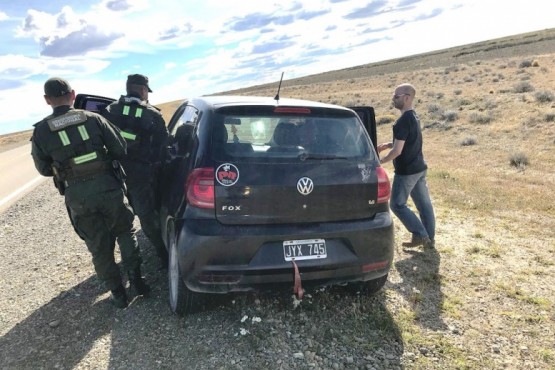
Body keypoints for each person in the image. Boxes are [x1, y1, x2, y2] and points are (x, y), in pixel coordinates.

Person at [31, 77, 150, 309]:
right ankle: (137, 281)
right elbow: (120, 148)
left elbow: (44, 169)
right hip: (108, 187)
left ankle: (118, 294)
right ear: (73, 94)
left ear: (47, 100)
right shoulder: (94, 119)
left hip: (78, 196)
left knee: (98, 244)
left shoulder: (41, 131)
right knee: (125, 231)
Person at [101, 74, 169, 269]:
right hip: (142, 175)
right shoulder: (152, 114)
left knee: (120, 220)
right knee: (147, 215)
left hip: (115, 175)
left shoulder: (109, 111)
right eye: (147, 91)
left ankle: (119, 264)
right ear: (142, 90)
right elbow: (164, 147)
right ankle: (163, 254)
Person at [378, 83, 436, 248]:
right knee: (424, 206)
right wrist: (389, 144)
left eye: (396, 96)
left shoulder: (403, 121)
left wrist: (380, 161)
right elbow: (408, 140)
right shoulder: (413, 116)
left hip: (407, 171)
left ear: (407, 97)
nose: (393, 98)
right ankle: (429, 240)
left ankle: (420, 235)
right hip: (419, 168)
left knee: (396, 204)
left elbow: (398, 151)